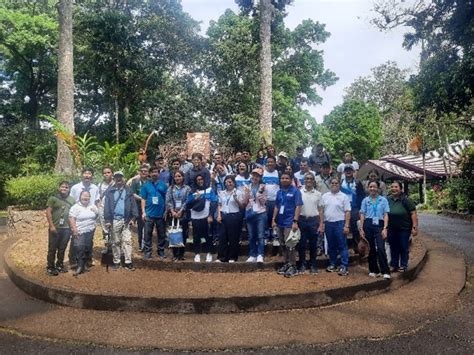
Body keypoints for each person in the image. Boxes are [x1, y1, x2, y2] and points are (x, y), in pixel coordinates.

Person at [104, 171, 138, 271]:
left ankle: (128, 262)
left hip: (126, 220)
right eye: (116, 177)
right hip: (114, 220)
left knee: (127, 241)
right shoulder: (110, 191)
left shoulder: (128, 190)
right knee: (115, 242)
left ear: (123, 178)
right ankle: (116, 262)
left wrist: (134, 218)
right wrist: (107, 220)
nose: (118, 179)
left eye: (120, 177)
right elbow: (106, 207)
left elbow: (133, 205)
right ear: (114, 178)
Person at [272, 172, 303, 278]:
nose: (284, 180)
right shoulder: (279, 192)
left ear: (291, 180)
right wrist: (273, 219)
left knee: (291, 244)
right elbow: (277, 206)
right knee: (282, 244)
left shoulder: (296, 191)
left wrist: (295, 221)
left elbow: (298, 206)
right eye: (282, 178)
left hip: (290, 222)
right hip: (280, 221)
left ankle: (293, 266)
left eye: (287, 178)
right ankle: (286, 264)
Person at [359, 181, 391, 279]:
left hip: (380, 225)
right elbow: (362, 214)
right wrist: (361, 228)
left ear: (378, 188)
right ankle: (373, 269)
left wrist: (385, 228)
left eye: (374, 187)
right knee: (371, 248)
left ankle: (385, 270)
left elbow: (386, 214)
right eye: (370, 187)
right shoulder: (365, 200)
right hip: (368, 224)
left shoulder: (383, 200)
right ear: (368, 188)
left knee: (381, 248)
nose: (372, 188)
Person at [69, 167, 100, 266]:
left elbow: (97, 201)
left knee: (89, 241)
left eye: (89, 173)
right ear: (82, 175)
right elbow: (71, 202)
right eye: (85, 173)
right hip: (78, 217)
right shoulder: (75, 188)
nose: (87, 175)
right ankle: (73, 260)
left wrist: (97, 212)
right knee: (76, 239)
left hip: (90, 218)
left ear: (92, 176)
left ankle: (88, 260)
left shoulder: (95, 188)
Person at [320, 178, 351, 276]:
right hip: (328, 223)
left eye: (336, 183)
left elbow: (347, 211)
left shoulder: (344, 196)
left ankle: (344, 265)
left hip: (340, 223)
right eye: (332, 183)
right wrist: (322, 223)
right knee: (331, 245)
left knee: (342, 245)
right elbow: (321, 211)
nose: (334, 184)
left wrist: (346, 225)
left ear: (339, 184)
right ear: (329, 184)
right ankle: (333, 263)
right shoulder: (324, 196)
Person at [45, 181, 76, 276]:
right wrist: (51, 226)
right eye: (62, 187)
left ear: (69, 189)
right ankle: (50, 267)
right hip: (55, 227)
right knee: (52, 248)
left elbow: (74, 213)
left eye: (66, 187)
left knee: (62, 248)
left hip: (66, 228)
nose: (64, 189)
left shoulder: (72, 200)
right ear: (59, 188)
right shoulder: (53, 199)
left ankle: (59, 265)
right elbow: (48, 212)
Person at [387, 181, 418, 272]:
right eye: (392, 187)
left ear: (401, 189)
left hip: (404, 228)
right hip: (392, 227)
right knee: (393, 246)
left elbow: (413, 213)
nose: (394, 189)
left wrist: (414, 227)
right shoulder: (388, 199)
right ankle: (394, 264)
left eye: (396, 187)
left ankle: (403, 265)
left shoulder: (406, 200)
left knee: (403, 246)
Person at [187, 174, 218, 262]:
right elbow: (188, 204)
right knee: (196, 236)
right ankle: (197, 254)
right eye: (197, 180)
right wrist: (195, 198)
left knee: (208, 236)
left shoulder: (209, 190)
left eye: (201, 179)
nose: (199, 181)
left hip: (206, 216)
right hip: (195, 217)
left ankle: (209, 253)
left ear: (204, 180)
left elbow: (214, 202)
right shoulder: (192, 191)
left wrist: (211, 215)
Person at [298, 173, 323, 275]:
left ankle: (313, 264)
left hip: (314, 221)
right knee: (302, 244)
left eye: (310, 179)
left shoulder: (318, 194)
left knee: (313, 244)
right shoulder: (299, 192)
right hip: (302, 220)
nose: (308, 180)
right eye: (307, 178)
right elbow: (297, 207)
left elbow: (320, 210)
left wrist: (321, 224)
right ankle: (302, 264)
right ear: (304, 180)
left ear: (313, 181)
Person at [140, 166, 168, 260]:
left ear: (158, 174)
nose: (154, 174)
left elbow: (167, 199)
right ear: (150, 174)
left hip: (160, 214)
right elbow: (143, 199)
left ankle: (161, 251)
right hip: (149, 214)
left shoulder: (163, 185)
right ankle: (148, 252)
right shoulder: (146, 185)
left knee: (161, 234)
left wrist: (166, 211)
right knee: (148, 234)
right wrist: (143, 212)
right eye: (152, 172)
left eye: (156, 172)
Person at [68, 191, 99, 276]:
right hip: (79, 231)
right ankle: (79, 266)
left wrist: (95, 212)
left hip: (90, 230)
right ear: (80, 197)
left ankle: (85, 265)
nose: (85, 198)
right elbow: (71, 218)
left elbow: (97, 215)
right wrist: (74, 229)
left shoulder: (92, 206)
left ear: (90, 197)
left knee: (87, 247)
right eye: (83, 196)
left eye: (87, 196)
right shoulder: (75, 207)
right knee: (79, 247)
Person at [216, 175, 245, 262]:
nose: (228, 184)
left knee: (233, 237)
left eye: (230, 182)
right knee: (222, 237)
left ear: (234, 183)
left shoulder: (239, 192)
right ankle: (222, 257)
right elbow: (219, 205)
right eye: (226, 182)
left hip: (234, 216)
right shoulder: (222, 192)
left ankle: (233, 257)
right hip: (224, 215)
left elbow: (242, 206)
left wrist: (236, 199)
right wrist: (219, 215)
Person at [166, 170, 192, 261]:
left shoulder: (187, 188)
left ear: (183, 177)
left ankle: (181, 254)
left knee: (183, 234)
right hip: (172, 214)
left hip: (183, 214)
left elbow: (188, 200)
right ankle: (175, 254)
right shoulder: (171, 188)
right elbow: (168, 201)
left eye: (179, 176)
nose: (177, 178)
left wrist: (181, 211)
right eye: (176, 176)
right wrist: (173, 211)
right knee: (174, 233)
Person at [243, 168, 267, 263]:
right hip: (249, 212)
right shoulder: (247, 187)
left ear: (260, 177)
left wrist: (260, 193)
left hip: (260, 213)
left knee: (260, 235)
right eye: (254, 175)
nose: (255, 177)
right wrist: (246, 194)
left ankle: (260, 254)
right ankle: (252, 254)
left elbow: (264, 202)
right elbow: (244, 202)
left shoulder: (263, 187)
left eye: (257, 176)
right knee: (251, 235)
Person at [340, 165, 365, 252]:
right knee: (343, 227)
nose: (348, 172)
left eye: (350, 170)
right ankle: (343, 247)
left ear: (353, 171)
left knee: (355, 228)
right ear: (344, 172)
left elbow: (362, 196)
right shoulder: (341, 183)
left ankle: (356, 247)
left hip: (355, 208)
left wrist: (361, 209)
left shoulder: (358, 183)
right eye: (346, 170)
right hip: (343, 209)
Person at [130, 165, 149, 251]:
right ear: (139, 172)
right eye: (142, 171)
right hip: (138, 206)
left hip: (149, 206)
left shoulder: (150, 181)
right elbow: (133, 194)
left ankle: (147, 244)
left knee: (148, 226)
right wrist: (142, 199)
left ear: (148, 172)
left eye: (145, 171)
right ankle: (141, 245)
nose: (144, 172)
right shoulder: (135, 182)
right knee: (140, 226)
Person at [262, 156, 280, 245]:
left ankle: (275, 237)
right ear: (266, 163)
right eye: (268, 162)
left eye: (272, 162)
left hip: (276, 200)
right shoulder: (263, 173)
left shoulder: (278, 173)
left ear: (275, 163)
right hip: (265, 200)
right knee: (265, 220)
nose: (270, 163)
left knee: (275, 219)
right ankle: (265, 236)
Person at [97, 166, 114, 252]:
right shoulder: (100, 185)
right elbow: (98, 197)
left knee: (114, 228)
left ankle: (115, 247)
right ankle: (107, 247)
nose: (106, 174)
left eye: (108, 172)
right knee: (105, 228)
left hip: (113, 209)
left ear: (112, 173)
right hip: (102, 208)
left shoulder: (116, 184)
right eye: (104, 173)